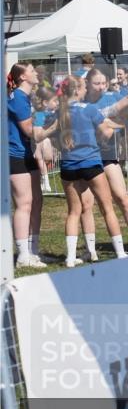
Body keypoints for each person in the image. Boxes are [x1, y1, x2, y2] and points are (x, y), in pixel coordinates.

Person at [41, 77, 128, 266]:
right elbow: (107, 132)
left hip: (69, 165)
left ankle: (71, 257)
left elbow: (53, 136)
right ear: (78, 90)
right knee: (107, 208)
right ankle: (120, 252)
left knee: (74, 211)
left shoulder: (59, 112)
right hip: (90, 162)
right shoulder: (89, 109)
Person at [81, 68, 128, 255]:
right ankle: (90, 250)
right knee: (87, 205)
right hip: (86, 157)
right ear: (88, 84)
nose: (101, 87)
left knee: (122, 198)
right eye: (96, 83)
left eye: (103, 83)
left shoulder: (112, 97)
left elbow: (121, 122)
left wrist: (107, 121)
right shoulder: (81, 101)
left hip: (107, 155)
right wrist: (104, 120)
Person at [7, 63, 47, 268]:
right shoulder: (19, 98)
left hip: (27, 153)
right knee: (24, 204)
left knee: (37, 201)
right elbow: (30, 131)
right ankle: (23, 255)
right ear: (22, 77)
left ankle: (34, 251)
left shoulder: (26, 97)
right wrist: (53, 124)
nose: (35, 73)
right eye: (31, 70)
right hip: (15, 155)